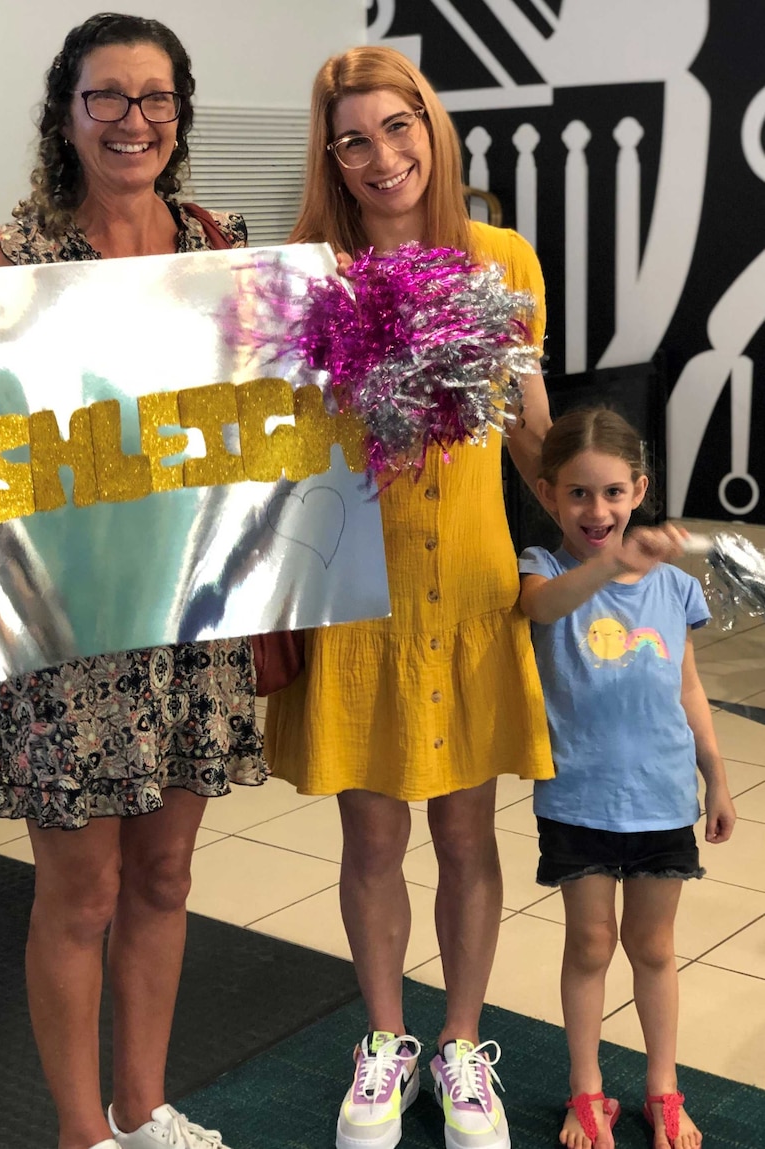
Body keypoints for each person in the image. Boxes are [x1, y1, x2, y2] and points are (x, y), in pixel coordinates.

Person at [0, 14, 265, 1149]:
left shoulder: (222, 243)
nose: (132, 121)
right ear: (66, 112)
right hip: (72, 617)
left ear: (179, 114)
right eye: (107, 98)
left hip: (194, 605)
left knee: (166, 874)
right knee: (81, 894)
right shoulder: (16, 257)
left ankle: (143, 1111)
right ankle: (78, 1134)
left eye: (155, 99)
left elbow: (262, 424)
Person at [265, 46, 555, 1149]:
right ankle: (383, 1048)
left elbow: (529, 430)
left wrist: (599, 526)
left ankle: (461, 1047)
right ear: (330, 159)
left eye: (399, 127)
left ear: (431, 131)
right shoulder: (304, 276)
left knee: (470, 839)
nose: (381, 156)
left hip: (473, 592)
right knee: (373, 842)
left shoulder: (500, 259)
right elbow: (270, 456)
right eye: (354, 139)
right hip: (358, 598)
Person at [517, 409, 736, 1149]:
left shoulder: (675, 589)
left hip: (663, 796)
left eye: (613, 492)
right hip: (579, 795)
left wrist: (718, 774)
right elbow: (542, 608)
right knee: (589, 944)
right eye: (579, 494)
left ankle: (663, 1087)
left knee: (654, 947)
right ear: (549, 495)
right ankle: (587, 1089)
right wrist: (613, 563)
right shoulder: (545, 570)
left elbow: (690, 689)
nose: (598, 510)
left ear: (639, 489)